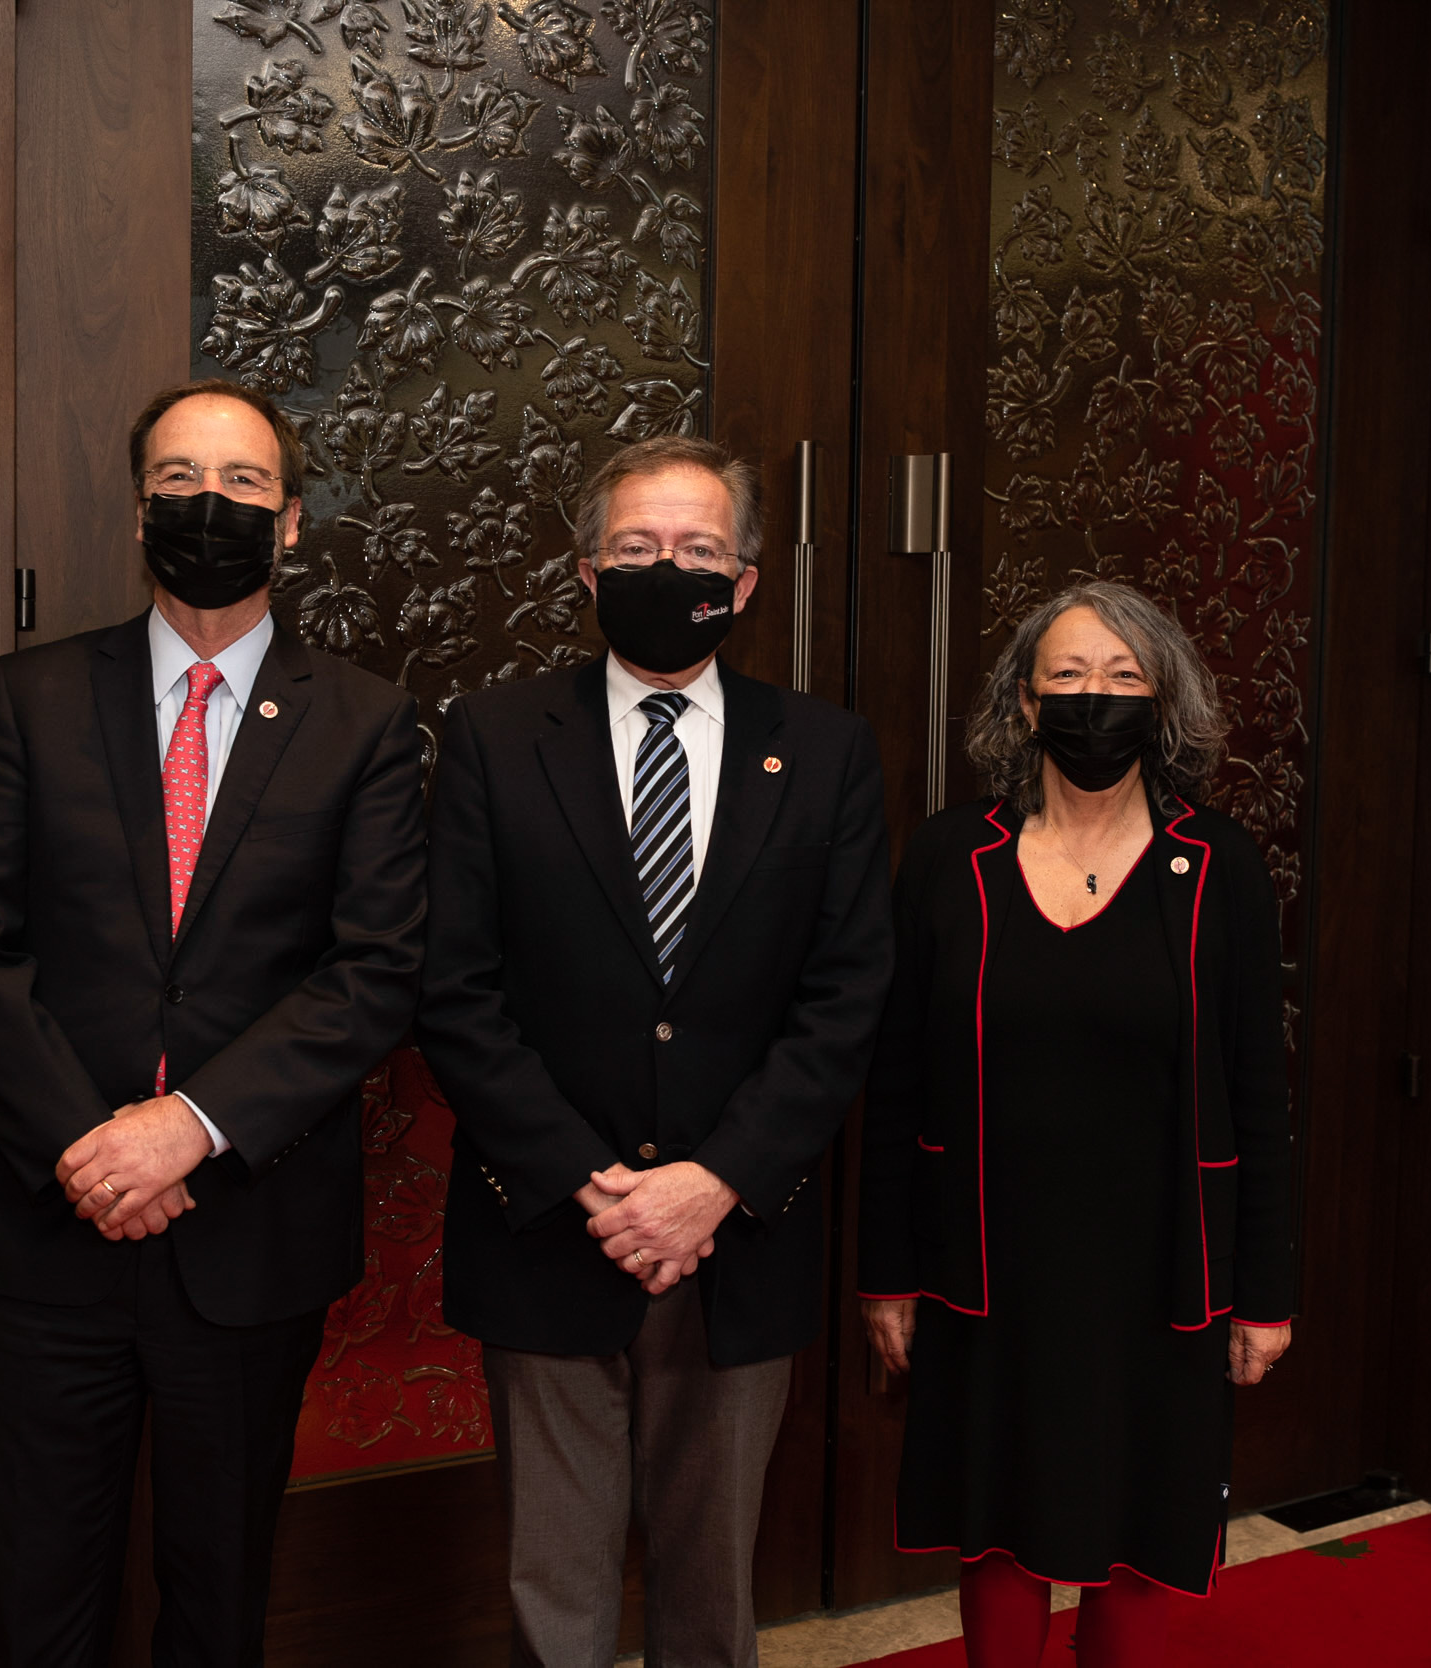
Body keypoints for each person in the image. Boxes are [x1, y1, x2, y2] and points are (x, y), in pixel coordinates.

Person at [0, 379, 426, 1666]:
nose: (213, 504)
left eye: (245, 483)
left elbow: (372, 969)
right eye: (181, 480)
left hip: (245, 1238)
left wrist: (188, 1130)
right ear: (139, 506)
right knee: (35, 1593)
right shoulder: (30, 695)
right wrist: (92, 1148)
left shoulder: (366, 721)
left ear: (293, 522)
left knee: (219, 1595)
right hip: (53, 1225)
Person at [417, 434, 893, 1667]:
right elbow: (454, 989)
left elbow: (844, 996)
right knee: (553, 1592)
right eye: (634, 548)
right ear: (585, 572)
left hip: (739, 1233)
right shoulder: (490, 735)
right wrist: (595, 1184)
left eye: (696, 550)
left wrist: (713, 1183)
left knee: (710, 1595)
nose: (664, 568)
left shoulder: (829, 752)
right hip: (550, 1223)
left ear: (742, 583)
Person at [856, 580, 1296, 1667]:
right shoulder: (949, 857)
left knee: (1143, 1528)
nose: (1092, 698)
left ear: (1164, 704)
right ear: (1020, 702)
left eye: (1122, 677)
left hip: (1161, 1273)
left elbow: (1262, 1091)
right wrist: (886, 1273)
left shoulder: (1218, 867)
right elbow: (894, 1077)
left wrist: (1266, 1295)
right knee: (998, 1525)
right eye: (1066, 675)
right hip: (988, 1263)